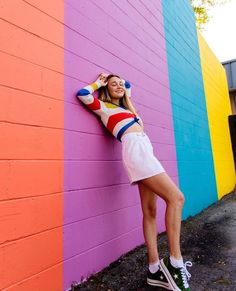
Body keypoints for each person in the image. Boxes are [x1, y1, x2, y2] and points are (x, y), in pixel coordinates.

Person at [76, 73, 192, 291]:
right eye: (114, 85)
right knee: (177, 198)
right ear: (106, 89)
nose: (119, 86)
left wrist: (119, 83)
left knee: (150, 212)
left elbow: (127, 85)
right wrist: (100, 82)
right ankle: (175, 263)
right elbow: (83, 94)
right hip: (136, 152)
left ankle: (154, 268)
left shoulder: (130, 110)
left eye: (120, 84)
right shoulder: (104, 108)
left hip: (145, 150)